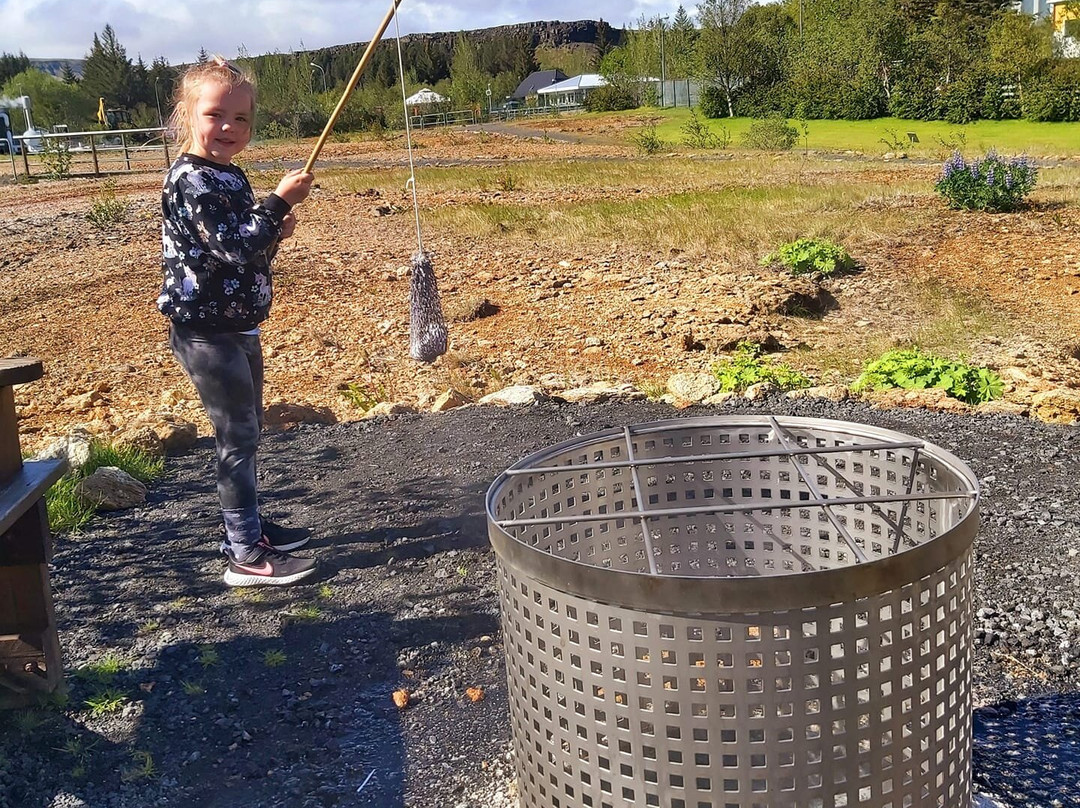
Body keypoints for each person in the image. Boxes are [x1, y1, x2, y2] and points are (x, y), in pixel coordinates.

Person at [158, 56, 316, 587]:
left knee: (246, 433)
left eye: (241, 119)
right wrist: (276, 205)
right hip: (206, 333)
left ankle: (245, 526)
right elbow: (232, 245)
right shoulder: (191, 180)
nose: (228, 128)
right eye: (215, 114)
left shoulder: (227, 174)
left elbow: (248, 252)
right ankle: (245, 555)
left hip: (238, 328)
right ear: (188, 115)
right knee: (237, 437)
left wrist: (275, 230)